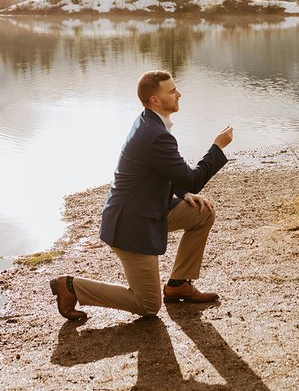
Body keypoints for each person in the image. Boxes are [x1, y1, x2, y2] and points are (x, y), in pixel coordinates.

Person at [50, 70, 233, 321]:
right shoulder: (155, 135)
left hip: (148, 210)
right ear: (155, 100)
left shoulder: (151, 123)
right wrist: (217, 146)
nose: (179, 94)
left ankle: (178, 284)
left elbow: (163, 170)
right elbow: (193, 178)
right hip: (131, 225)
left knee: (202, 213)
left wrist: (183, 192)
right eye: (172, 91)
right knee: (148, 306)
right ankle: (71, 286)